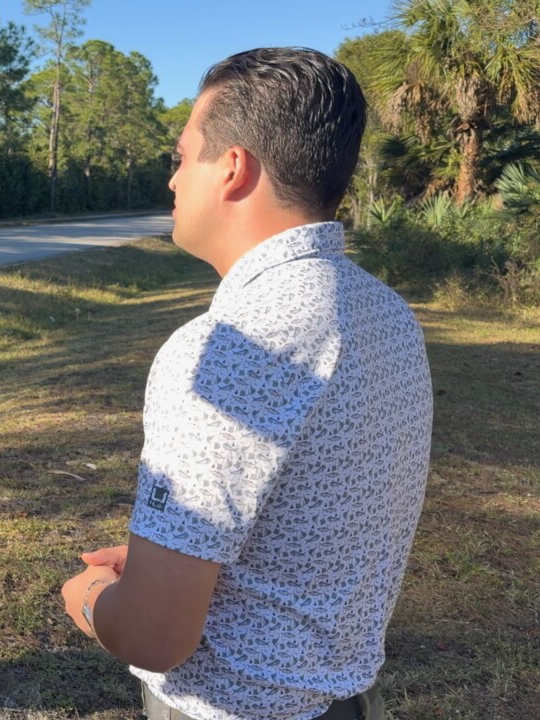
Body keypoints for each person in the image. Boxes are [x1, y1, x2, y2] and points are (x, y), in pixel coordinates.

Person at [59, 48, 432, 720]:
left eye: (180, 158)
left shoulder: (222, 352)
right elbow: (316, 529)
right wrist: (168, 563)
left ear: (232, 169)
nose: (172, 182)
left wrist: (88, 596)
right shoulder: (387, 314)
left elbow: (154, 634)